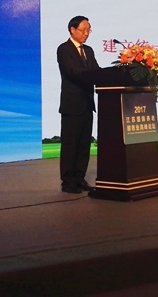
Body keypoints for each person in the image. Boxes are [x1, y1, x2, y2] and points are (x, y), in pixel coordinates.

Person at [57, 15, 100, 193]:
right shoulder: (64, 49)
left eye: (89, 30)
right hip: (72, 105)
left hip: (87, 104)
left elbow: (96, 71)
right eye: (83, 30)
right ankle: (68, 181)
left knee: (83, 145)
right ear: (72, 30)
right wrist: (92, 76)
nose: (86, 34)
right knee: (70, 145)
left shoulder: (88, 50)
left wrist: (111, 75)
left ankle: (79, 177)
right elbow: (72, 71)